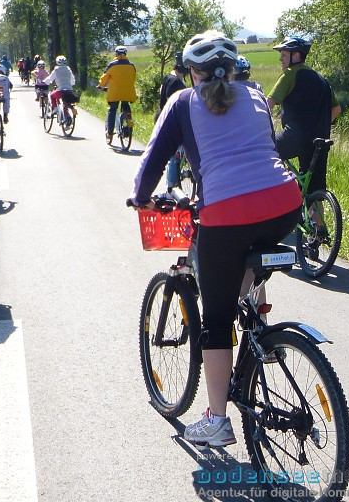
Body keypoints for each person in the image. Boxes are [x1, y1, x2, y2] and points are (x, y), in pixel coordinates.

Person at [129, 31, 301, 447]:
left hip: (226, 217)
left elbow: (153, 160)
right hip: (284, 206)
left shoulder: (182, 103)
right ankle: (257, 319)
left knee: (217, 320)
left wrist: (140, 198)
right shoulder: (256, 94)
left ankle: (218, 420)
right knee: (241, 272)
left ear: (192, 72)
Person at [266, 35, 334, 195]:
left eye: (284, 55)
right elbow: (336, 109)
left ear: (296, 56)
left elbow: (267, 105)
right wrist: (318, 125)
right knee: (314, 192)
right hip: (320, 139)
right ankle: (317, 220)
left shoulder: (290, 74)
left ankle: (279, 193)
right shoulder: (321, 79)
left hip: (295, 138)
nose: (280, 59)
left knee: (264, 151)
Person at [160, 52, 190, 191]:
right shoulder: (176, 82)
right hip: (171, 121)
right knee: (175, 155)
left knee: (175, 154)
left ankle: (173, 183)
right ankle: (171, 187)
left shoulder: (169, 77)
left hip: (163, 118)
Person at [99, 45, 138, 141]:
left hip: (114, 93)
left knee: (112, 110)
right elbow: (133, 78)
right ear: (125, 54)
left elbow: (104, 77)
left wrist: (100, 85)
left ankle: (110, 133)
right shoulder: (131, 65)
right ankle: (128, 120)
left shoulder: (112, 65)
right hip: (128, 92)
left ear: (116, 54)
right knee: (126, 106)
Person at [46, 55, 78, 122]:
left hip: (61, 90)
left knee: (51, 95)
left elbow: (50, 78)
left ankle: (55, 108)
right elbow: (73, 81)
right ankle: (68, 118)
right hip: (69, 90)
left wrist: (46, 82)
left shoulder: (56, 69)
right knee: (65, 104)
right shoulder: (68, 69)